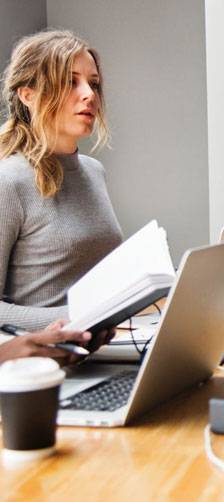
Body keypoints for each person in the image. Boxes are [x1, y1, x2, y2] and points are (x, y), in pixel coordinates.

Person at [0, 30, 123, 331]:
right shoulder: (9, 181)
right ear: (28, 95)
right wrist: (75, 321)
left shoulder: (94, 171)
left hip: (101, 346)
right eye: (71, 81)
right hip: (46, 362)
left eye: (93, 83)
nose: (89, 94)